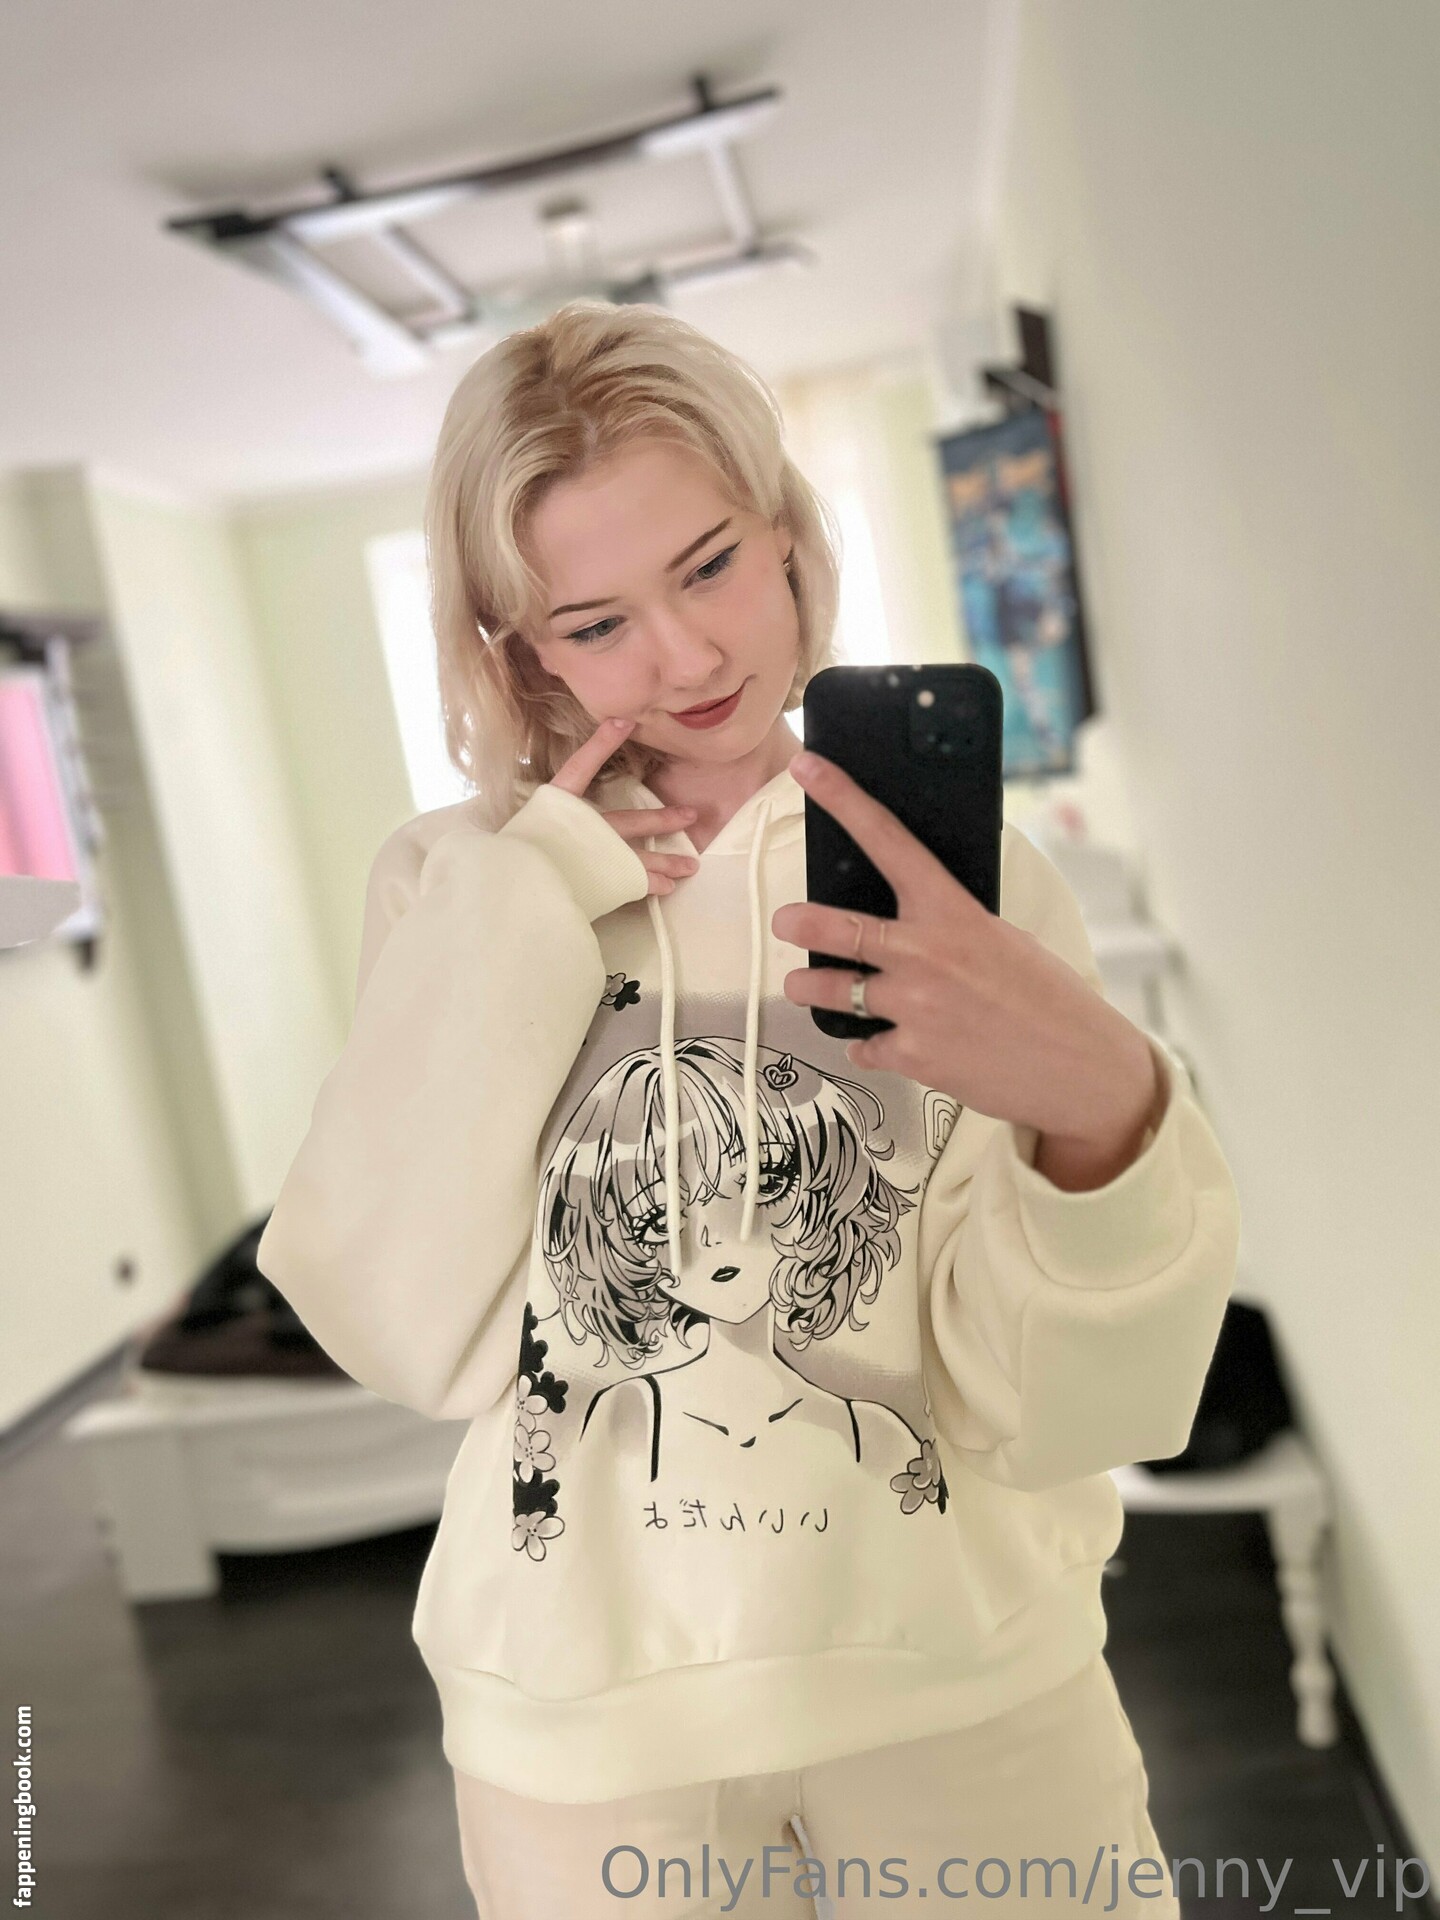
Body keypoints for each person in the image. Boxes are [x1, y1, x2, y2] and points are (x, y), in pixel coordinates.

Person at [255, 300, 1241, 1918]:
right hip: (585, 1725)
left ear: (785, 533)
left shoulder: (974, 882)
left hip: (960, 1675)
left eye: (709, 567)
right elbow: (403, 1319)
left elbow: (1050, 1389)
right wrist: (536, 898)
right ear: (518, 650)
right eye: (596, 623)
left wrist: (1107, 1112)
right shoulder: (455, 883)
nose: (689, 658)